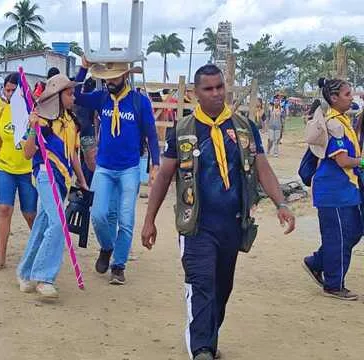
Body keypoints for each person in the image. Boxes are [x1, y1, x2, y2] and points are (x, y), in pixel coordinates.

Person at [141, 64, 295, 360]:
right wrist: (149, 220)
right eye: (208, 89)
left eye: (219, 87)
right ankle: (200, 349)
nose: (216, 94)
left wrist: (282, 204)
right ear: (195, 93)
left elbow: (262, 166)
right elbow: (165, 176)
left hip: (233, 224)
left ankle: (209, 341)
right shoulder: (184, 130)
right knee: (201, 285)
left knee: (222, 289)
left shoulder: (243, 127)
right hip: (196, 225)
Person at [74, 57, 160, 285]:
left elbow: (151, 134)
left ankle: (119, 265)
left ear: (125, 76)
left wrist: (155, 165)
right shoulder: (102, 98)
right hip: (104, 167)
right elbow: (76, 96)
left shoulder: (139, 102)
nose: (110, 82)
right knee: (99, 214)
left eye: (114, 77)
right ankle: (107, 247)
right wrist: (83, 69)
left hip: (129, 168)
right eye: (106, 78)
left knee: (125, 218)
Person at [17, 74, 89, 299]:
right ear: (57, 97)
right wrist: (31, 129)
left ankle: (25, 272)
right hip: (46, 174)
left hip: (64, 179)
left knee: (43, 223)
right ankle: (44, 277)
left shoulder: (72, 122)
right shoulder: (42, 121)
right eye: (69, 93)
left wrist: (82, 180)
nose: (73, 97)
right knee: (58, 223)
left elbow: (74, 155)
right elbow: (28, 153)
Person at [303, 78, 363, 301]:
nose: (352, 98)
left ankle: (317, 262)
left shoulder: (343, 121)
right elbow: (343, 161)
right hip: (333, 191)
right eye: (348, 94)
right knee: (338, 237)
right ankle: (334, 284)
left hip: (345, 189)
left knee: (353, 231)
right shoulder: (334, 124)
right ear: (334, 98)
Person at [0, 73, 37, 271]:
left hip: (28, 170)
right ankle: (1, 256)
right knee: (4, 209)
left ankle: (40, 251)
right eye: (7, 90)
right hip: (4, 167)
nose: (10, 93)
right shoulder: (1, 112)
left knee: (30, 214)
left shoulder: (34, 113)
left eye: (14, 90)